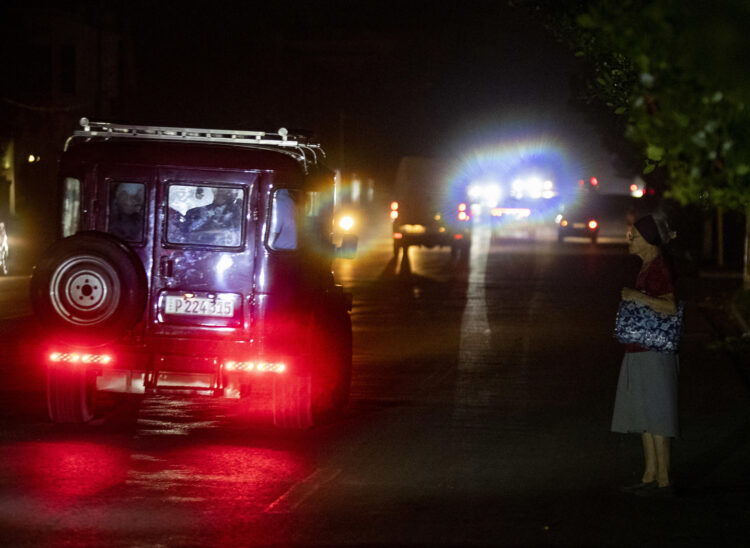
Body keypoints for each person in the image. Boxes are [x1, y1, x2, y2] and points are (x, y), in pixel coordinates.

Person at [611, 214, 679, 497]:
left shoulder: (658, 268)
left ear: (650, 241)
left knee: (657, 414)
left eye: (635, 236)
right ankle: (650, 474)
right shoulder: (648, 267)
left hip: (653, 350)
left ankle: (663, 480)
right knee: (646, 414)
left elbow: (670, 307)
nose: (630, 239)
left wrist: (636, 297)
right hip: (641, 348)